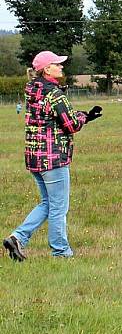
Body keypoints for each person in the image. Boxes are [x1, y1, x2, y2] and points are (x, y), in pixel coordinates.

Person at [3, 51, 102, 262]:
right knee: (59, 207)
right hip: (53, 158)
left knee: (47, 203)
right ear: (47, 69)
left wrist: (83, 115)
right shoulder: (54, 94)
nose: (61, 67)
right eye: (57, 64)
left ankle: (17, 237)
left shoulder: (33, 92)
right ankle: (61, 251)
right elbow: (71, 124)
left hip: (34, 157)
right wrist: (86, 117)